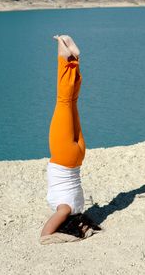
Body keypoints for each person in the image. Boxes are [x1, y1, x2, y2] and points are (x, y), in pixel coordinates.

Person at [41, 35, 86, 237]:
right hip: (64, 158)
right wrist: (54, 233)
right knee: (64, 102)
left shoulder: (77, 208)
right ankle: (64, 57)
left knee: (72, 102)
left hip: (77, 158)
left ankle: (73, 61)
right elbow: (45, 235)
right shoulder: (66, 208)